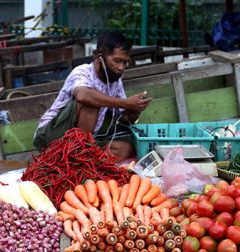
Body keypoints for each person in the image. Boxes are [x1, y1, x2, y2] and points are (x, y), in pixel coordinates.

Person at [33, 31, 152, 162]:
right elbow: (82, 95)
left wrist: (132, 112)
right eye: (117, 61)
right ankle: (81, 158)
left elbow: (121, 117)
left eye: (125, 63)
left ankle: (79, 160)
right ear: (100, 57)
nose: (121, 67)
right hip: (51, 135)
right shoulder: (82, 71)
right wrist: (126, 103)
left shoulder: (115, 80)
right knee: (92, 102)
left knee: (125, 149)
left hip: (86, 140)